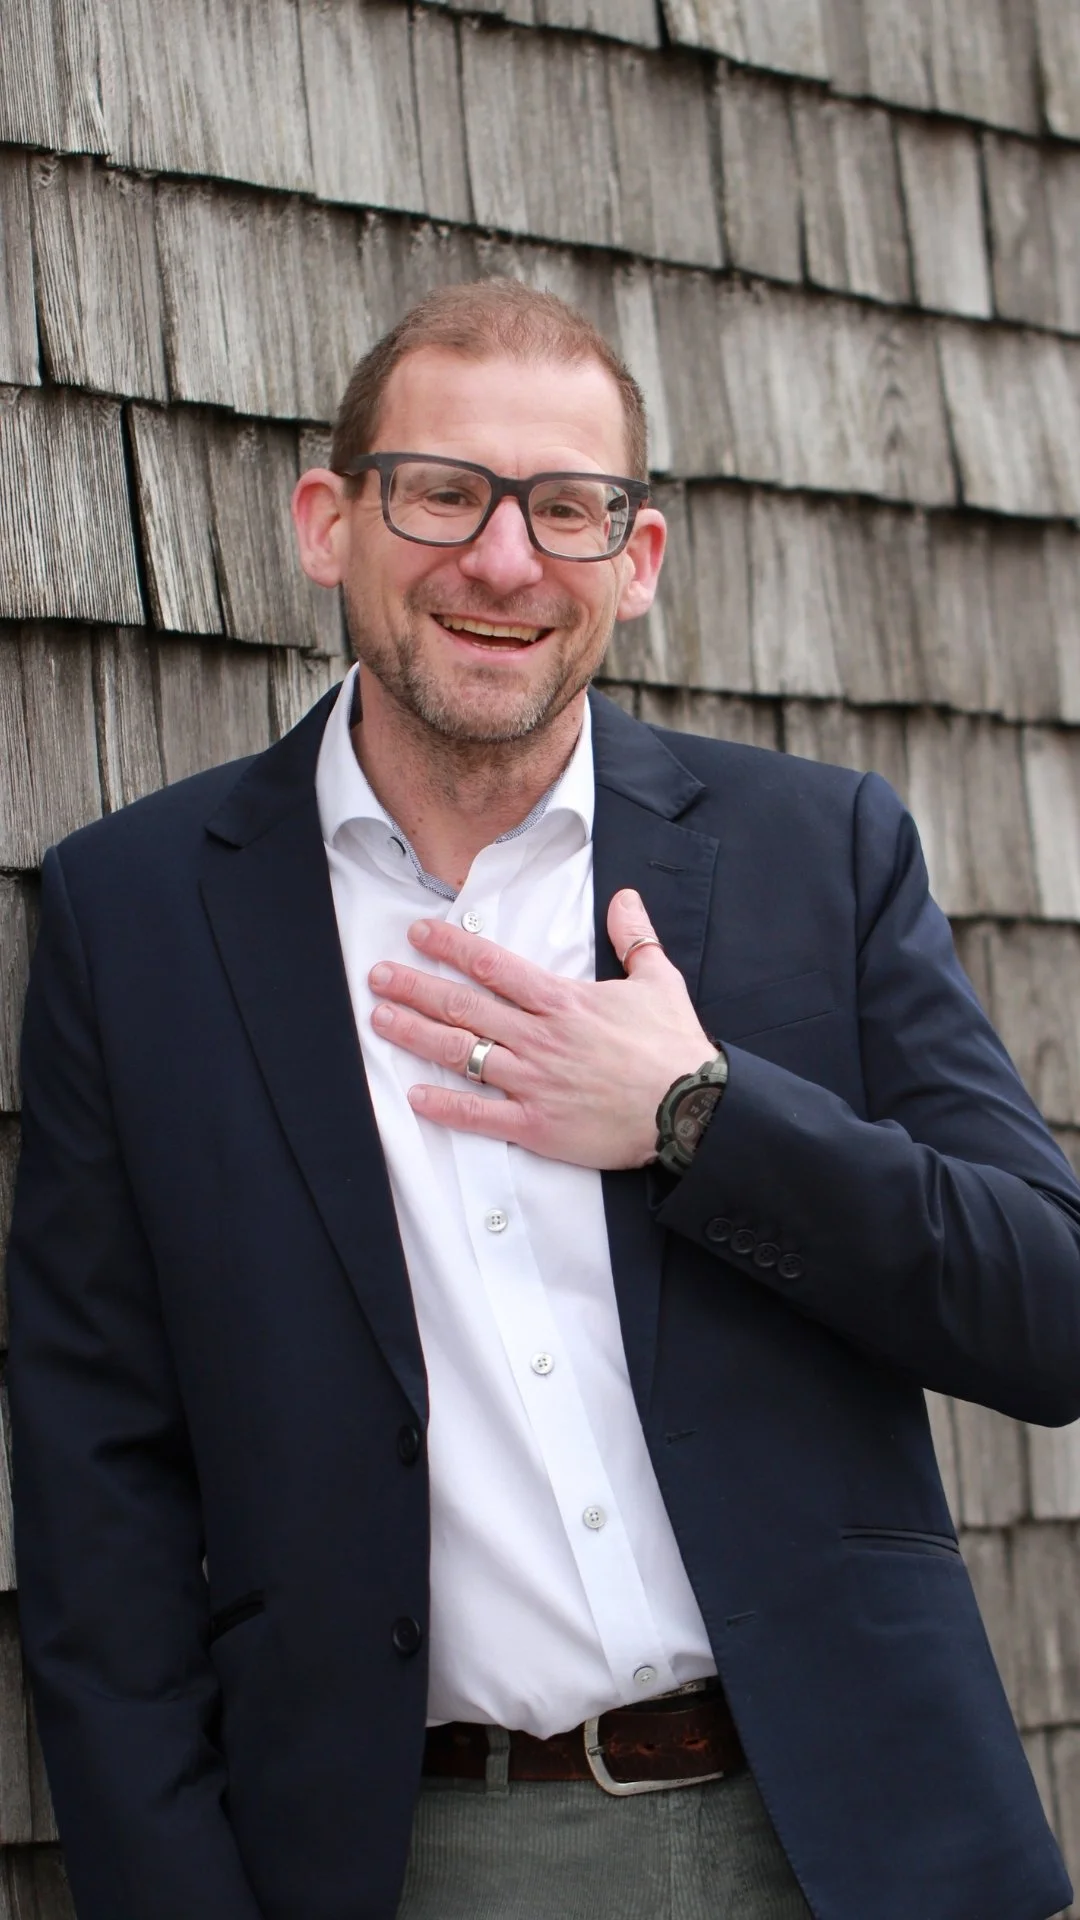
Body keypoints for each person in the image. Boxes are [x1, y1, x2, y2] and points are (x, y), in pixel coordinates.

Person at [8, 279, 1080, 1920]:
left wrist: (704, 1118)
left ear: (633, 563)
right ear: (328, 521)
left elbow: (1049, 1310)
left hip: (844, 1842)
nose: (503, 562)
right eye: (443, 492)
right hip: (422, 1857)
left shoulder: (821, 854)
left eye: (567, 509)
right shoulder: (132, 917)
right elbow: (100, 1509)